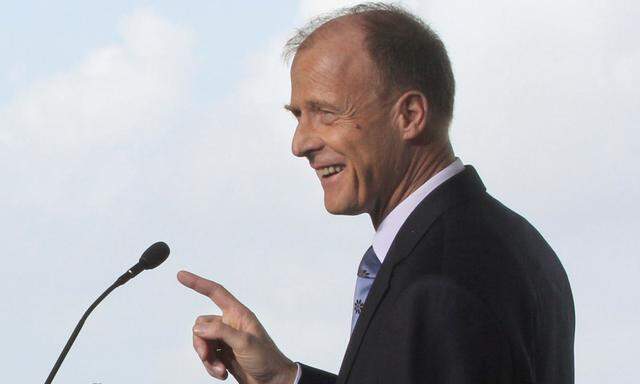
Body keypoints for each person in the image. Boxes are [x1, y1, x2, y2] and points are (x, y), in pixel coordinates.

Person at [177, 3, 575, 383]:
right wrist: (284, 379)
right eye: (298, 115)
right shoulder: (504, 238)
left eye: (326, 112)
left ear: (410, 116)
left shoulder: (440, 282)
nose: (300, 144)